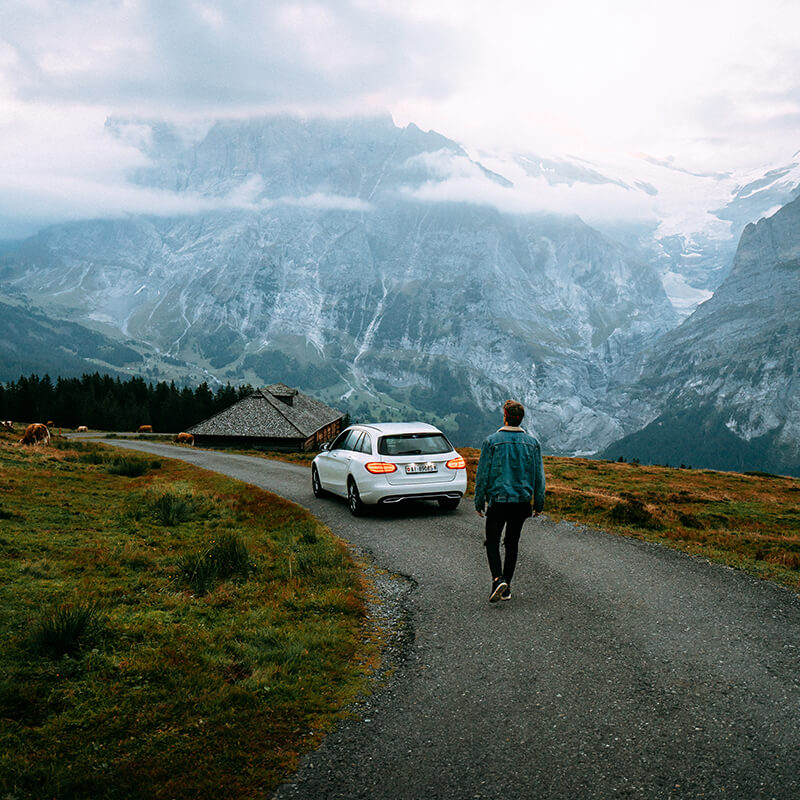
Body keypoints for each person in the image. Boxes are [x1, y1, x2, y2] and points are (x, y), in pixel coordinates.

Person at [474, 399, 546, 602]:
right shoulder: (533, 443)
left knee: (492, 542)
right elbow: (539, 477)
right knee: (512, 543)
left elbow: (483, 475)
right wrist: (538, 503)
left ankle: (498, 579)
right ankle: (506, 589)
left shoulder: (491, 441)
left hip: (499, 501)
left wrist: (479, 502)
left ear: (504, 416)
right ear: (520, 419)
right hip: (522, 502)